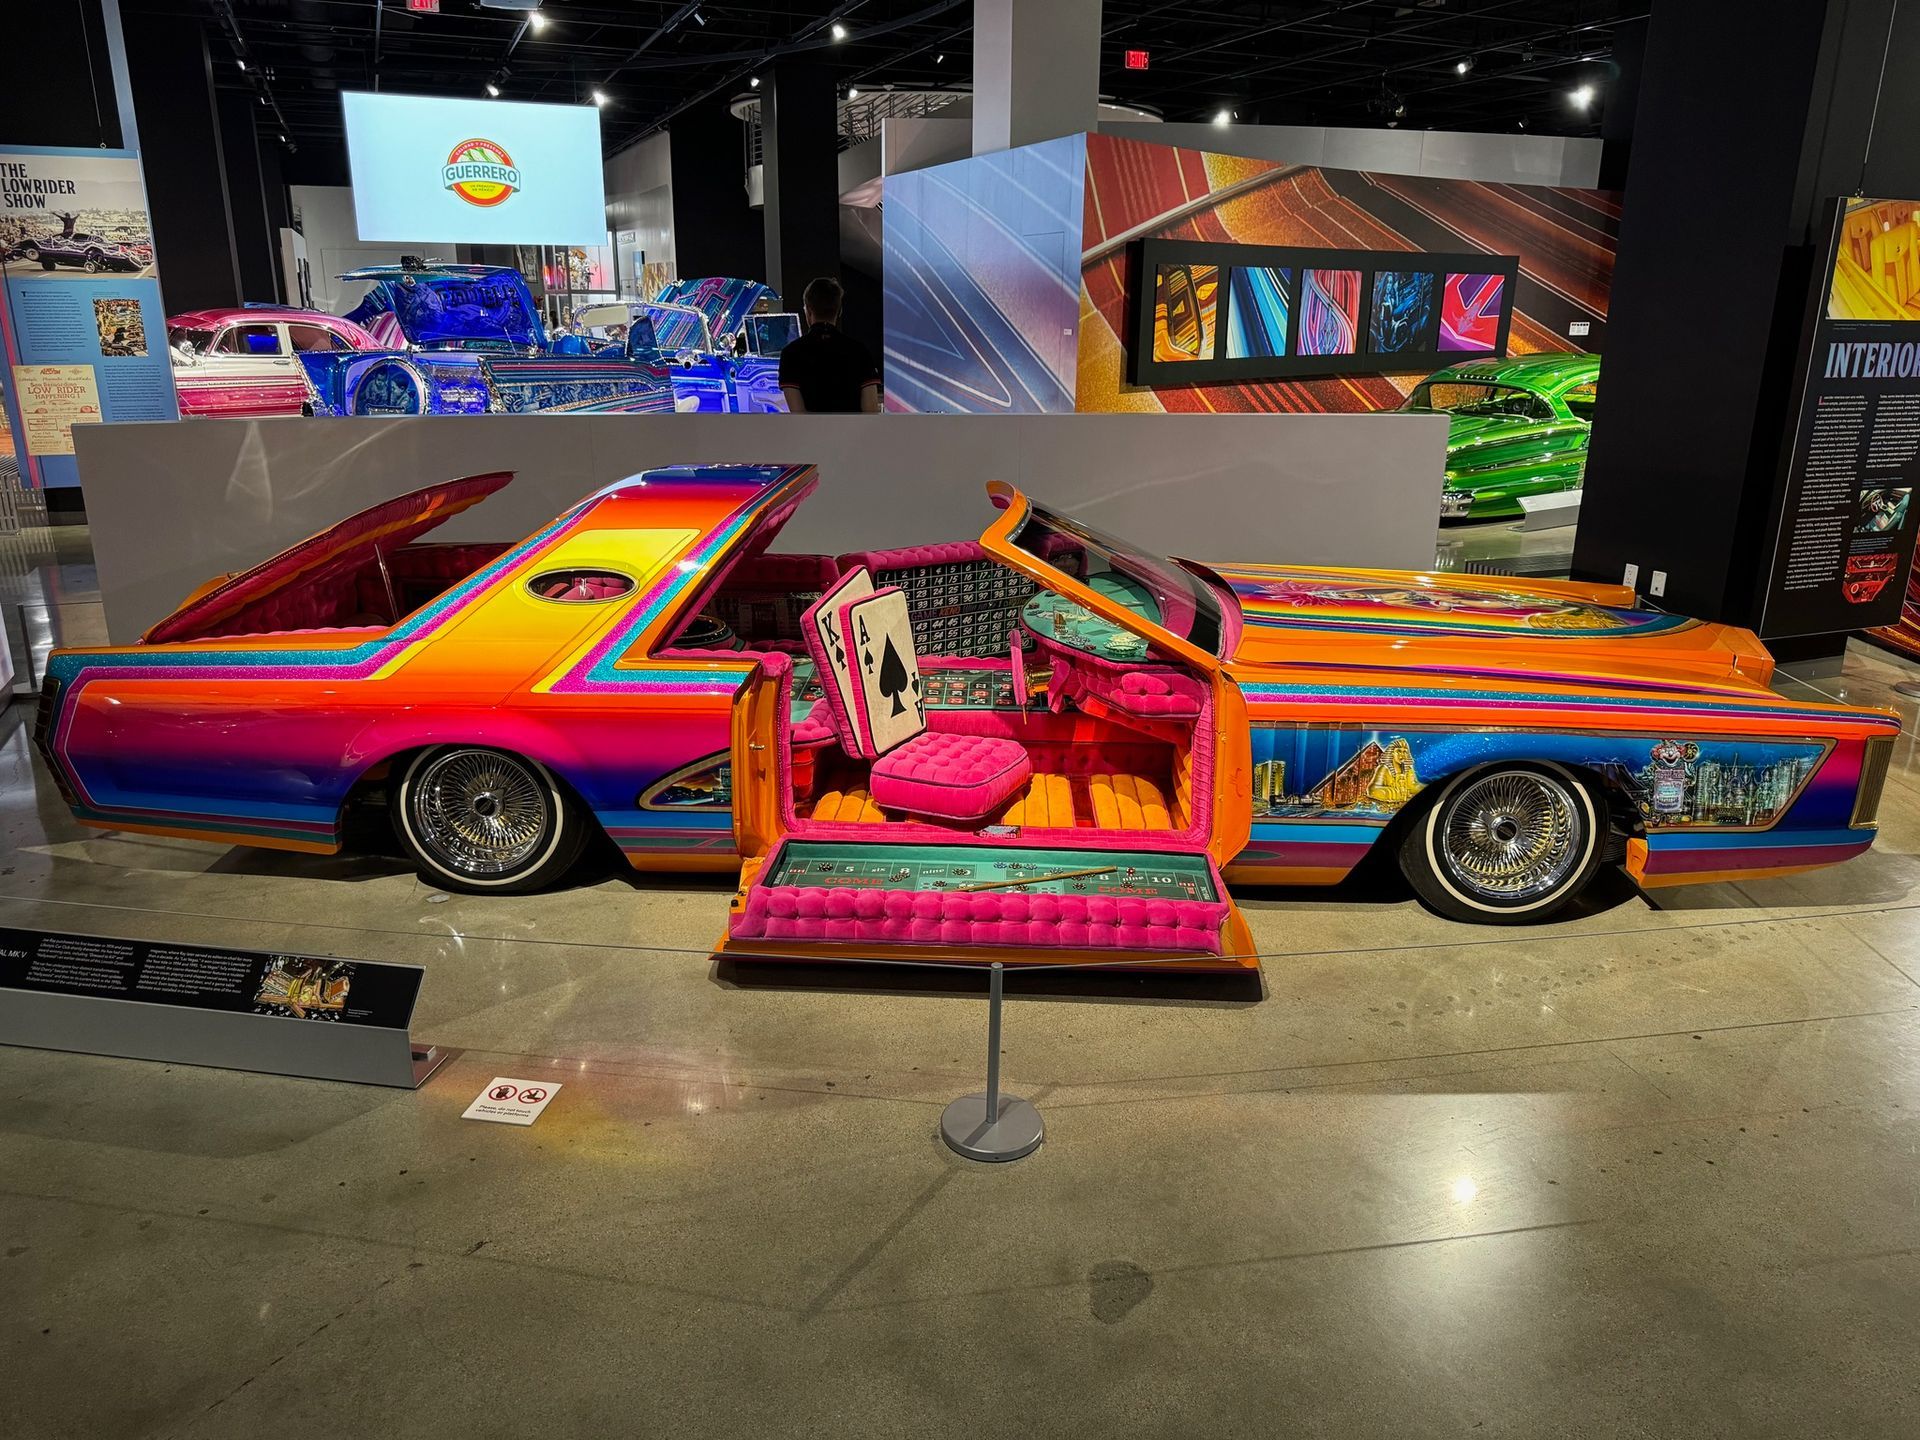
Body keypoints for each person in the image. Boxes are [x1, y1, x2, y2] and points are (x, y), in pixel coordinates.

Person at [778, 276, 881, 413]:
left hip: (811, 428)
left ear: (808, 310)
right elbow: (871, 411)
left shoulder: (790, 354)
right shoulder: (860, 351)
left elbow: (799, 414)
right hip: (852, 427)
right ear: (839, 311)